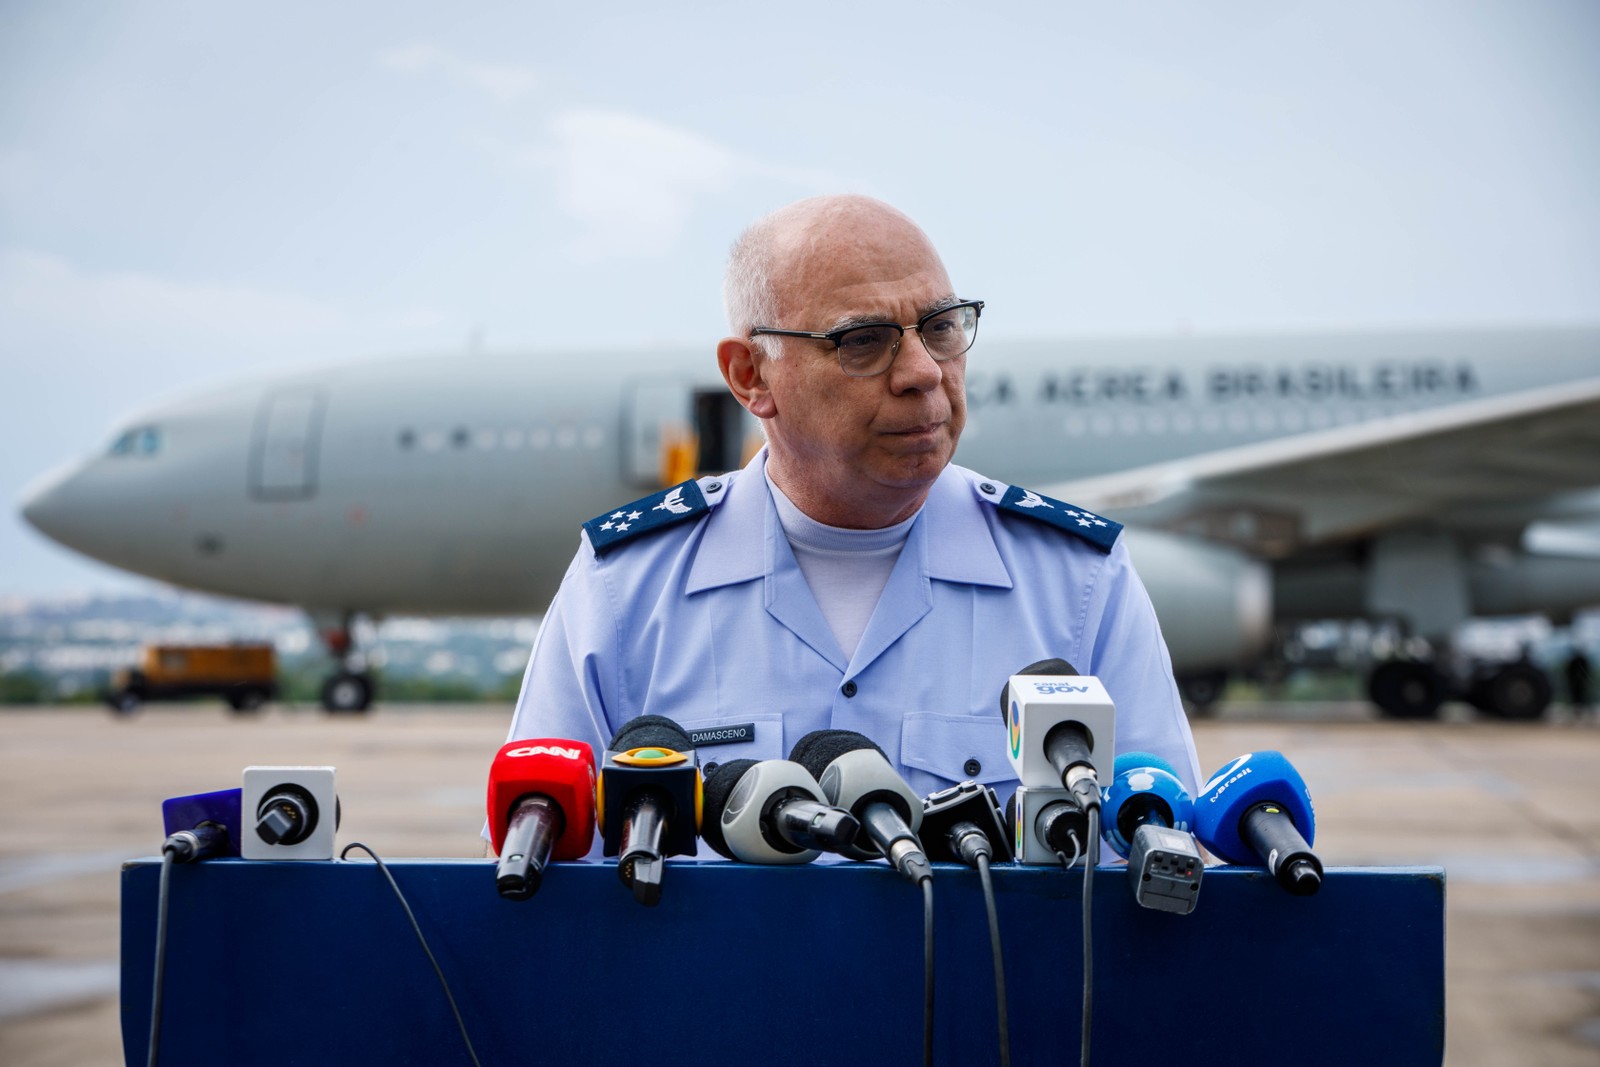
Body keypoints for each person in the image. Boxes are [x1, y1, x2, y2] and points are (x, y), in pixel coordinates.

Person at [499, 194, 1200, 828]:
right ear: (751, 376)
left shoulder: (1075, 581)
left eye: (942, 327)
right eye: (864, 340)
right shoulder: (626, 588)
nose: (924, 370)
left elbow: (1161, 858)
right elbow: (545, 878)